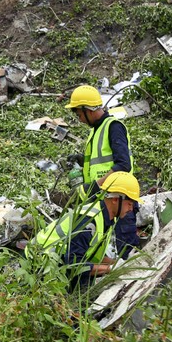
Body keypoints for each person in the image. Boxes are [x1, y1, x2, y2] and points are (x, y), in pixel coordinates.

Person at [66, 85, 140, 257]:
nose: (80, 120)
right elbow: (100, 161)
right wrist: (80, 159)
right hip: (107, 199)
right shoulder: (96, 131)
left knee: (125, 250)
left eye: (79, 114)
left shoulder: (113, 126)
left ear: (88, 110)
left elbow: (123, 164)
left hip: (119, 198)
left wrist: (95, 187)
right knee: (108, 248)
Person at [34, 171, 141, 288]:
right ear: (115, 199)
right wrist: (110, 268)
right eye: (129, 204)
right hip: (40, 264)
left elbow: (92, 255)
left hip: (56, 262)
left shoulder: (108, 219)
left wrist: (117, 263)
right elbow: (74, 264)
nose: (131, 209)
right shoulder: (89, 221)